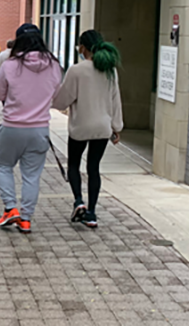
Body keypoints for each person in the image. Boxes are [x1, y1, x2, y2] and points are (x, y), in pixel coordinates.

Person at [0, 24, 62, 233]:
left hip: (12, 126)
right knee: (32, 175)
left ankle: (10, 207)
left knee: (3, 165)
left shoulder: (10, 65)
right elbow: (56, 93)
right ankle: (26, 218)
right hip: (40, 129)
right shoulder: (54, 65)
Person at [52, 30, 123, 229]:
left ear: (83, 47)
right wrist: (116, 127)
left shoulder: (76, 70)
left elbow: (63, 100)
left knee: (74, 165)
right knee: (94, 168)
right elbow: (115, 100)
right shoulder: (110, 69)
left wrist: (52, 102)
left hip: (81, 126)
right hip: (102, 127)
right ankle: (91, 213)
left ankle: (78, 201)